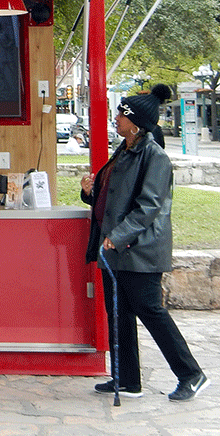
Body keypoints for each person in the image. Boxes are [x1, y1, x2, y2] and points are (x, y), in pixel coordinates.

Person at [80, 84, 209, 402]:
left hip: (140, 250)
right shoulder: (124, 151)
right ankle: (126, 380)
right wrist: (91, 192)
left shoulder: (155, 157)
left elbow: (149, 206)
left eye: (121, 114)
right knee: (118, 313)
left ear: (136, 123)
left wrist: (118, 236)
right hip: (116, 249)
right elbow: (114, 199)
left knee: (150, 311)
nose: (116, 118)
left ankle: (191, 374)